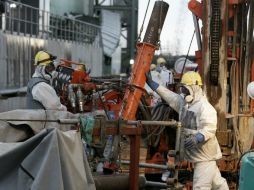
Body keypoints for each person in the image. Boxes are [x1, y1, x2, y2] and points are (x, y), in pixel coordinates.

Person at [146, 71, 229, 190]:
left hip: (204, 157)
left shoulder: (205, 107)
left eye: (185, 89)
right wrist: (152, 84)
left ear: (194, 88)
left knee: (200, 186)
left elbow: (209, 129)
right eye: (182, 89)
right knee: (218, 184)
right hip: (198, 155)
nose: (183, 93)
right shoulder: (184, 103)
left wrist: (198, 137)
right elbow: (169, 96)